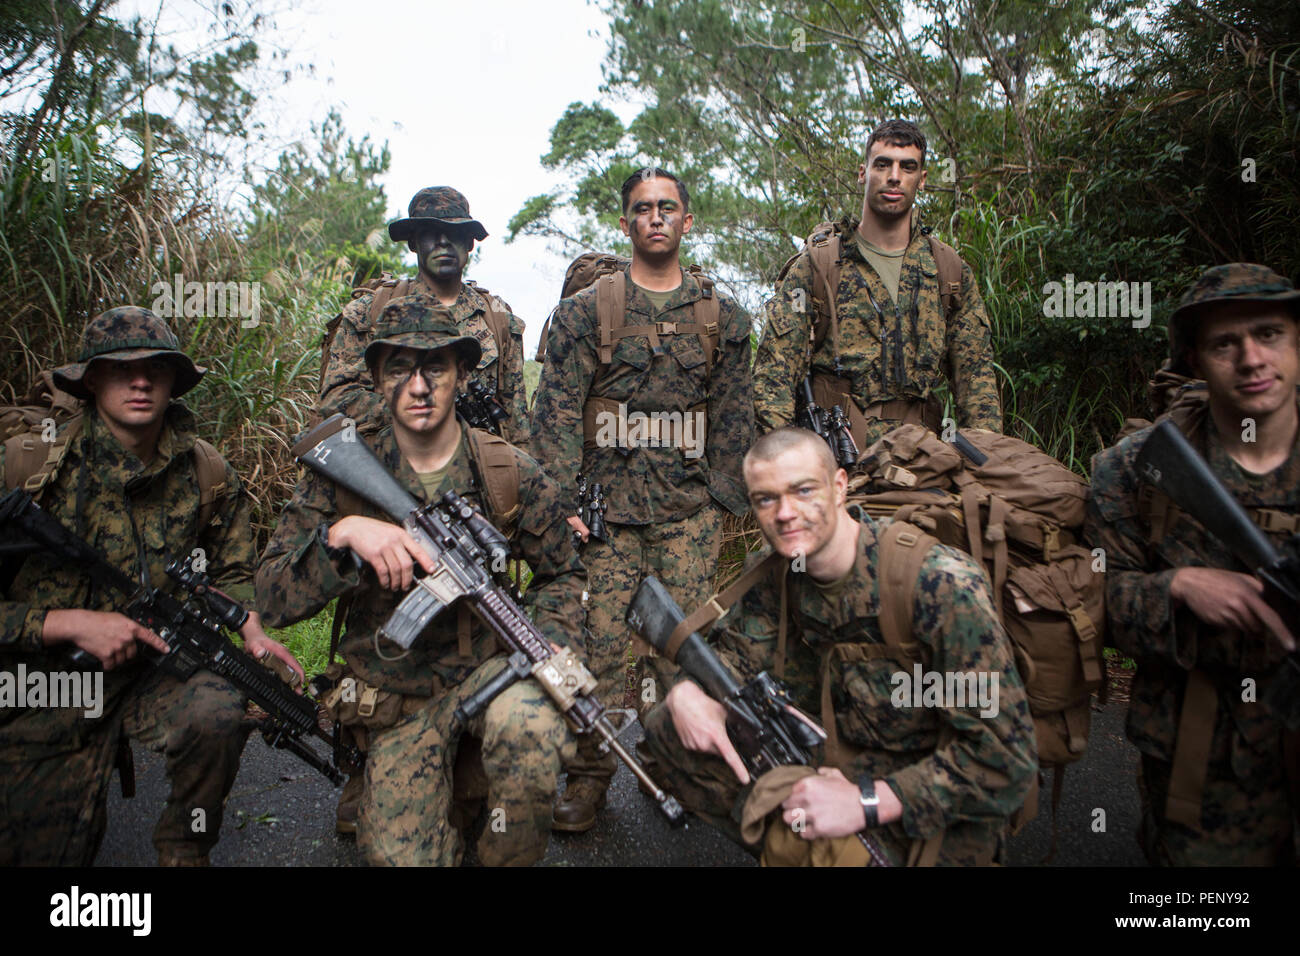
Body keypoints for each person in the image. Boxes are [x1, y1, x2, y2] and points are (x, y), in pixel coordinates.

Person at [257, 295, 584, 866]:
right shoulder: (340, 474)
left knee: (534, 732)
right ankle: (417, 794)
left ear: (460, 374)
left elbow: (564, 573)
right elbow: (272, 595)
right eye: (400, 369)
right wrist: (344, 535)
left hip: (490, 675)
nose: (418, 386)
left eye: (435, 367)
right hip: (394, 695)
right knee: (402, 856)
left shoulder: (506, 471)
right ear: (379, 380)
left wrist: (552, 635)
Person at [639, 426, 1036, 865]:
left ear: (840, 487)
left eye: (803, 490)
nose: (785, 513)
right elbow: (732, 659)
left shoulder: (939, 585)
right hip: (834, 755)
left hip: (928, 794)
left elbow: (1005, 759)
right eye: (766, 499)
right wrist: (684, 692)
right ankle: (797, 843)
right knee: (669, 725)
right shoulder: (779, 575)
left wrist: (866, 802)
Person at [0, 306, 302, 866]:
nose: (140, 381)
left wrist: (251, 629)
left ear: (172, 382)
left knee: (220, 707)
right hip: (45, 682)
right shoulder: (30, 467)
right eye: (121, 369)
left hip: (155, 669)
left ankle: (185, 850)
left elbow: (232, 570)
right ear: (91, 380)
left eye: (156, 369)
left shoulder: (206, 471)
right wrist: (63, 624)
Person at [528, 166, 754, 832]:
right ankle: (589, 775)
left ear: (688, 221)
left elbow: (735, 416)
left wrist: (720, 500)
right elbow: (558, 414)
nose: (656, 218)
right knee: (594, 650)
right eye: (642, 209)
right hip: (605, 517)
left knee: (679, 649)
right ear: (625, 224)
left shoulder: (723, 317)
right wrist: (562, 502)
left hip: (687, 516)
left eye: (668, 207)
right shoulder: (584, 313)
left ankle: (674, 763)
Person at [1085, 263, 1300, 866]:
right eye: (1225, 343)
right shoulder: (1135, 471)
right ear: (1196, 360)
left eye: (1270, 333)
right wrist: (1176, 587)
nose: (1252, 358)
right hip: (1209, 758)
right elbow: (1094, 600)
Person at [753, 119, 1001, 450]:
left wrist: (984, 465)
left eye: (907, 167)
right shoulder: (820, 265)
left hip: (922, 461)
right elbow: (773, 377)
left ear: (922, 179)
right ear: (863, 172)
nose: (894, 176)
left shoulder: (948, 271)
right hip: (836, 457)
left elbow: (976, 383)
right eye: (882, 164)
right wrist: (786, 464)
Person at [319, 186, 529, 444]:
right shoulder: (369, 311)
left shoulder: (498, 319)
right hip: (389, 468)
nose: (443, 242)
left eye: (454, 233)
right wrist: (416, 411)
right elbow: (335, 400)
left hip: (477, 467)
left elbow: (516, 424)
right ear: (413, 243)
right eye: (430, 233)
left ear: (469, 242)